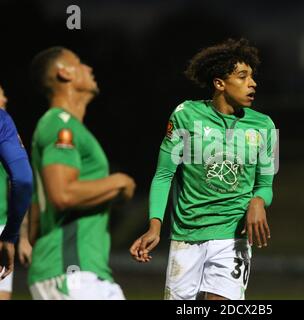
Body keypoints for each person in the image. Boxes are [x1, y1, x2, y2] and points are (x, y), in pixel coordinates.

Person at [130, 38, 277, 300]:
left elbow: (265, 186)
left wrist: (258, 201)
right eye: (242, 77)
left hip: (233, 239)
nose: (252, 83)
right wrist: (155, 225)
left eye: (252, 77)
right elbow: (164, 174)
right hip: (187, 236)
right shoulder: (185, 115)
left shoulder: (265, 126)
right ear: (219, 83)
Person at [28, 47, 136, 300]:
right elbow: (63, 194)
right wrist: (118, 182)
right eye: (79, 63)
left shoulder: (69, 126)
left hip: (86, 272)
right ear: (64, 73)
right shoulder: (59, 123)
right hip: (71, 272)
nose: (89, 68)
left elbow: (36, 213)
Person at [0, 85, 33, 300]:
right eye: (1, 92)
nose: (5, 97)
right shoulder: (3, 123)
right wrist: (12, 236)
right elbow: (21, 181)